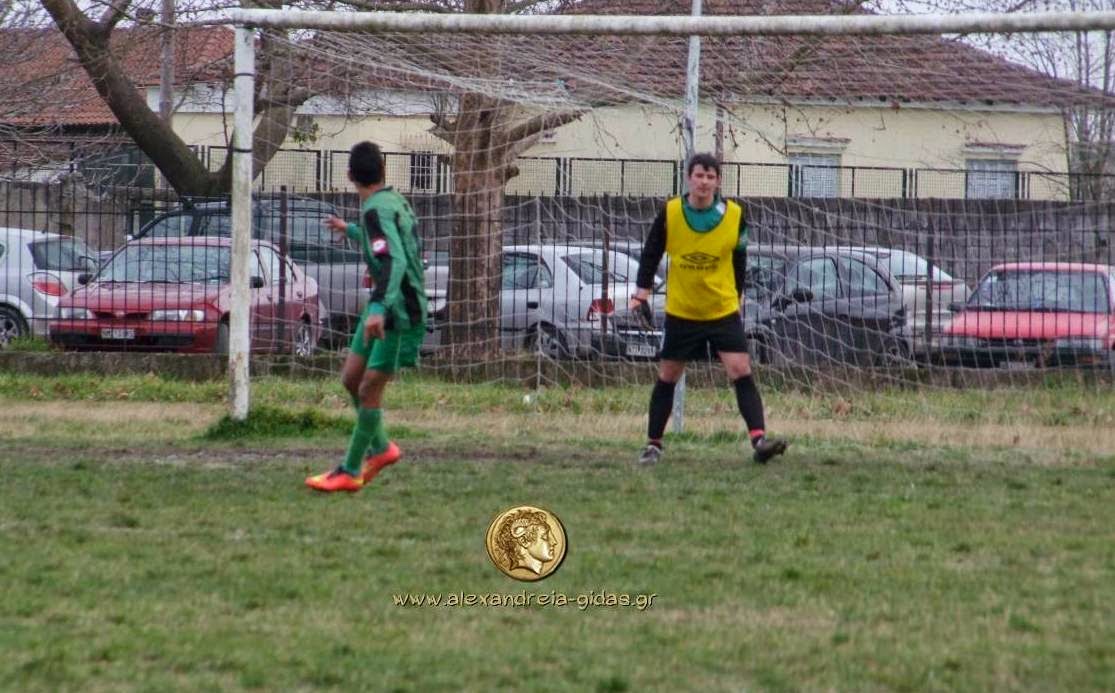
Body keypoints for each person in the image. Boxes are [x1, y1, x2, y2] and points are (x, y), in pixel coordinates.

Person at [629, 152, 787, 466]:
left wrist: (738, 295)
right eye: (699, 175)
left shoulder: (735, 215)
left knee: (741, 369)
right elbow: (651, 251)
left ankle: (759, 441)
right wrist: (641, 293)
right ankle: (653, 445)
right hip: (683, 310)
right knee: (668, 375)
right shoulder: (671, 212)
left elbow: (740, 258)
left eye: (710, 177)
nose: (704, 182)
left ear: (718, 182)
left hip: (721, 310)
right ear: (689, 178)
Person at [305, 141, 427, 492]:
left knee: (369, 387)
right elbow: (386, 242)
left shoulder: (375, 210)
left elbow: (393, 260)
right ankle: (382, 448)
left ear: (349, 176)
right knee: (350, 379)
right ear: (383, 170)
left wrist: (377, 310)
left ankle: (350, 469)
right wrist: (350, 230)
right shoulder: (391, 201)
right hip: (383, 305)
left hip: (398, 311)